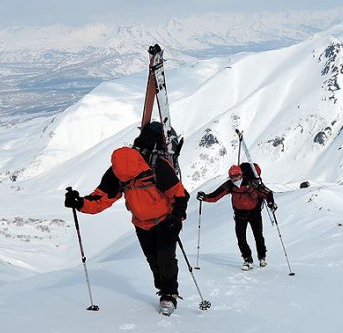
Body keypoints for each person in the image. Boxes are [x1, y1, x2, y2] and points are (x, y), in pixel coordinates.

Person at [64, 121, 189, 314]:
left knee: (166, 258)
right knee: (153, 260)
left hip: (166, 220)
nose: (126, 183)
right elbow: (101, 199)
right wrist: (79, 202)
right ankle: (162, 288)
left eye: (129, 180)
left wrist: (177, 216)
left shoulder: (158, 167)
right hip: (141, 224)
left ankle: (169, 295)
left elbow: (180, 194)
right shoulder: (118, 172)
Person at [197, 162, 276, 270]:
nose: (234, 178)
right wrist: (204, 197)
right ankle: (248, 259)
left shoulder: (251, 182)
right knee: (241, 239)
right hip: (240, 215)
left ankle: (262, 257)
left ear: (241, 174)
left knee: (258, 236)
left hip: (255, 213)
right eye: (232, 176)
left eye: (236, 175)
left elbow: (267, 193)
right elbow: (215, 196)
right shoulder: (229, 185)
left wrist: (271, 203)